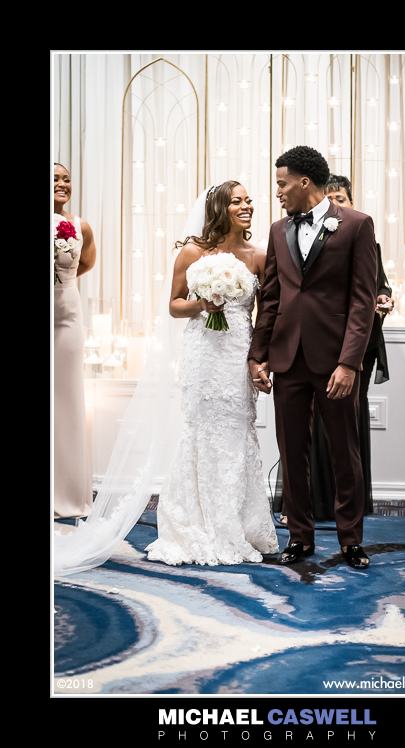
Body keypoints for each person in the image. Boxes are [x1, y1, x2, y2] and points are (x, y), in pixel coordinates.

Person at [54, 182, 278, 576]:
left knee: (239, 433)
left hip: (236, 354)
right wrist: (202, 303)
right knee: (199, 433)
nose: (247, 207)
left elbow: (264, 315)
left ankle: (236, 524)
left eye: (249, 201)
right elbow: (174, 305)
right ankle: (194, 522)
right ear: (219, 207)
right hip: (203, 355)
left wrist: (258, 360)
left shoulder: (259, 255)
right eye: (237, 201)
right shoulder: (192, 252)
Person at [248, 147, 377, 569]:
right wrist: (258, 355)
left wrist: (349, 362)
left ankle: (351, 540)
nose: (278, 192)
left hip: (335, 359)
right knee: (292, 451)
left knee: (345, 452)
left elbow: (362, 301)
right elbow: (271, 298)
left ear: (304, 182)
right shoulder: (277, 229)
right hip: (288, 358)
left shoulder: (356, 225)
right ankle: (299, 538)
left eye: (282, 184)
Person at [276, 174, 394, 521]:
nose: (336, 204)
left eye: (341, 198)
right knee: (302, 430)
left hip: (354, 346)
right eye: (331, 198)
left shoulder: (364, 236)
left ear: (351, 200)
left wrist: (384, 298)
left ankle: (348, 514)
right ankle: (302, 509)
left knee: (346, 435)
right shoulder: (290, 231)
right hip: (307, 345)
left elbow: (377, 284)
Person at [54, 163, 96, 519]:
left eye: (66, 178)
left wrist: (62, 281)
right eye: (54, 179)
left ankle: (67, 494)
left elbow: (85, 263)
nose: (62, 184)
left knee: (68, 400)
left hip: (66, 315)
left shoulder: (80, 225)